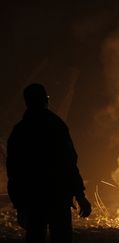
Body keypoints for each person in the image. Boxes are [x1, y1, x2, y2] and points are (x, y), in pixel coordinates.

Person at [6, 83, 91, 243]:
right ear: (45, 99)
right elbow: (69, 163)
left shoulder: (20, 131)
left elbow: (14, 170)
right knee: (61, 237)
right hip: (57, 197)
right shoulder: (56, 125)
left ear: (27, 102)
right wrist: (80, 196)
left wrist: (19, 204)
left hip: (33, 198)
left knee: (35, 237)